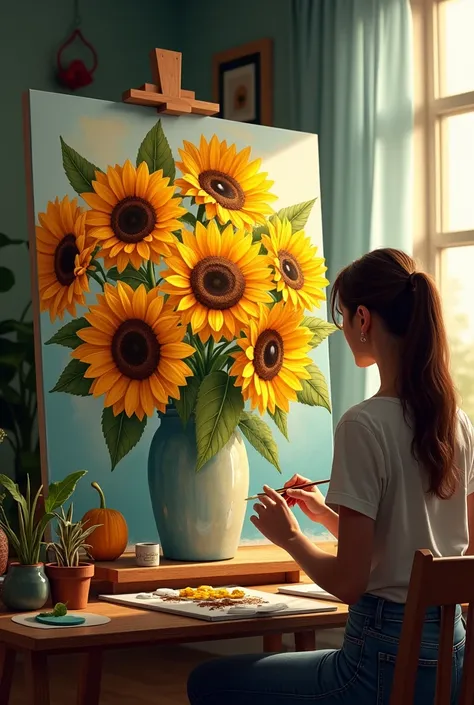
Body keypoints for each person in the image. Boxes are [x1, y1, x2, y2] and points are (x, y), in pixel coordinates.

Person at [187, 248, 473, 705]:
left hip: (377, 664)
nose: (341, 330)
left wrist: (291, 538)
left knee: (208, 681)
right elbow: (418, 554)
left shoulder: (363, 424)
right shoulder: (457, 424)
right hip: (449, 659)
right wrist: (324, 516)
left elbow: (349, 583)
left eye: (341, 317)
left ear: (363, 319)